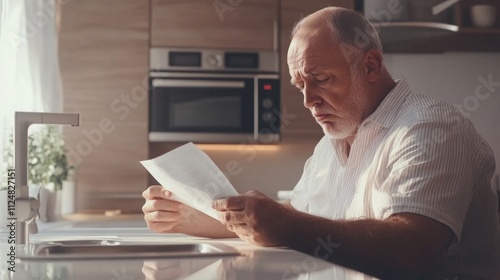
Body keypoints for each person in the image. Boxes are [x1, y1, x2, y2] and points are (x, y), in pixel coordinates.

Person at [142, 7, 500, 279]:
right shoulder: (331, 144)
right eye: (301, 86)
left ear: (371, 67)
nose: (308, 101)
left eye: (322, 79)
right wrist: (192, 217)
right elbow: (295, 224)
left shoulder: (429, 128)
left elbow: (413, 249)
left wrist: (288, 224)